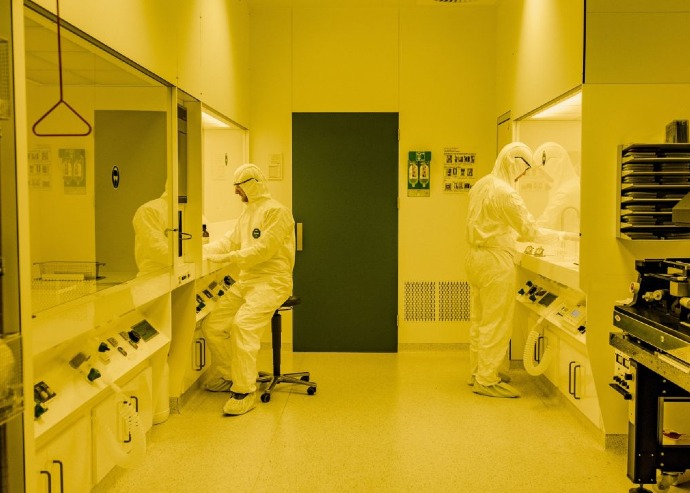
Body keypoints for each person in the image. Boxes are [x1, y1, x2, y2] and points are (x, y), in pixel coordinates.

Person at [465, 142, 564, 398]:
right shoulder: (506, 193)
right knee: (496, 322)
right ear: (515, 163)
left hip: (475, 258)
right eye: (523, 170)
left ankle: (478, 371)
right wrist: (562, 237)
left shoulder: (482, 185)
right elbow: (529, 230)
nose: (523, 176)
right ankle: (487, 380)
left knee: (479, 319)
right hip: (495, 261)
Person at [202, 163, 295, 415]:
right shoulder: (247, 213)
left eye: (238, 187)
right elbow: (229, 241)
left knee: (242, 326)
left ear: (252, 185)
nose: (236, 192)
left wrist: (228, 258)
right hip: (247, 280)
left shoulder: (277, 212)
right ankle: (228, 376)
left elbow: (263, 250)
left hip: (272, 281)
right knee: (213, 325)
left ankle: (244, 391)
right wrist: (200, 252)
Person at [534, 142, 580, 233]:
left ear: (553, 167)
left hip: (568, 240)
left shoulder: (565, 192)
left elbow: (545, 223)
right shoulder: (575, 182)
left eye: (542, 172)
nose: (542, 176)